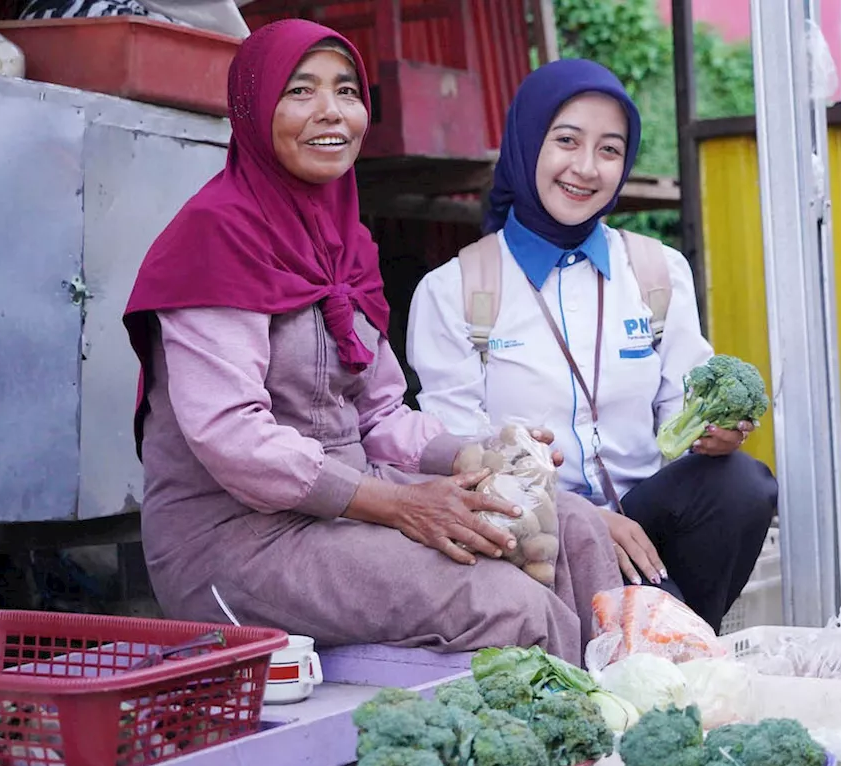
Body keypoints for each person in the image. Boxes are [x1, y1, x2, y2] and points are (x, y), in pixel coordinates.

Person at [122, 21, 621, 664]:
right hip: (236, 540)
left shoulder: (344, 241)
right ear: (252, 111)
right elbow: (233, 438)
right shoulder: (216, 236)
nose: (332, 112)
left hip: (350, 507)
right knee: (507, 600)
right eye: (300, 91)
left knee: (574, 525)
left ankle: (626, 717)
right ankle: (569, 752)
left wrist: (482, 453)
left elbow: (380, 412)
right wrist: (399, 504)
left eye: (347, 91)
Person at [406, 59, 777, 633]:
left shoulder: (655, 270)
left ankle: (668, 639)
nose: (586, 168)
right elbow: (464, 460)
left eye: (609, 149)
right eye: (566, 141)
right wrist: (584, 519)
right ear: (528, 142)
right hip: (530, 531)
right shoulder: (453, 291)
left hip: (648, 515)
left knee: (743, 485)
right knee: (654, 631)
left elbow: (684, 396)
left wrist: (711, 428)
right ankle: (670, 643)